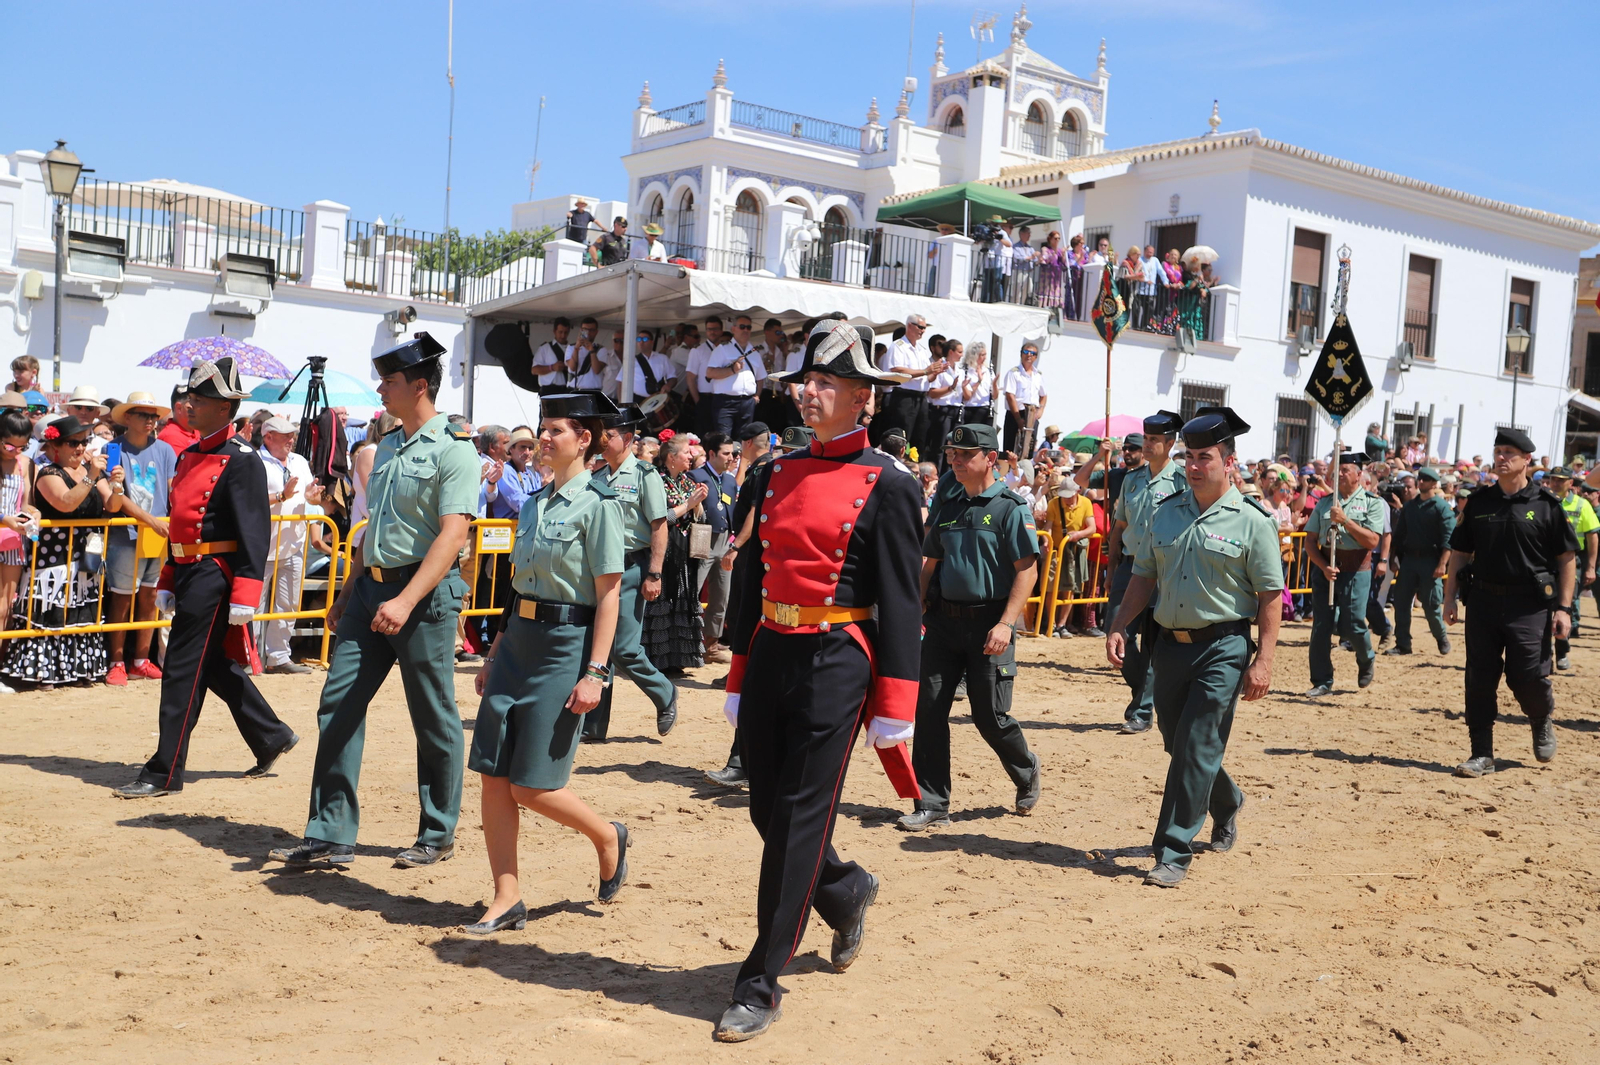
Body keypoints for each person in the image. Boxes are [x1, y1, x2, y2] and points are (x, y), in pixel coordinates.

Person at [714, 320, 922, 1042]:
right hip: (773, 645)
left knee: (800, 819)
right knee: (767, 811)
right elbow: (751, 577)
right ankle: (846, 887)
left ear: (863, 398)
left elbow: (900, 598)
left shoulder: (890, 484)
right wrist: (738, 669)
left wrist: (896, 700)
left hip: (840, 656)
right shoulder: (770, 474)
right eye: (807, 380)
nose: (809, 392)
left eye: (826, 383)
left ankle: (760, 980)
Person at [266, 333, 476, 866]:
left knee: (432, 714)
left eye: (390, 381)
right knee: (337, 702)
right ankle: (331, 830)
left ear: (419, 386)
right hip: (370, 589)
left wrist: (405, 600)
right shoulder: (385, 445)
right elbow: (369, 525)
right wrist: (349, 589)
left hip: (423, 597)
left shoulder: (455, 450)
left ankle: (437, 830)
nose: (381, 389)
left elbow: (452, 535)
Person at [462, 391, 630, 935]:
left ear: (584, 440)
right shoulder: (533, 502)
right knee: (493, 774)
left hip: (564, 646)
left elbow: (608, 596)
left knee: (533, 786)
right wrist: (494, 651)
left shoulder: (600, 504)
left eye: (555, 430)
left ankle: (607, 835)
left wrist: (597, 672)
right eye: (541, 429)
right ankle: (506, 896)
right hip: (516, 644)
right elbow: (517, 589)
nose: (542, 440)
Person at [1105, 407, 1282, 888]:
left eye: (1205, 457)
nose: (1194, 466)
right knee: (1177, 742)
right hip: (1170, 647)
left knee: (1198, 742)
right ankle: (1226, 800)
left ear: (1229, 462)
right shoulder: (1167, 512)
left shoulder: (1252, 521)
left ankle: (1173, 849)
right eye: (1190, 457)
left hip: (1223, 648)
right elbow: (1143, 575)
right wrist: (1121, 624)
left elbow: (1270, 596)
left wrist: (1263, 659)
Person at [114, 361, 298, 797]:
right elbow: (182, 524)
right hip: (190, 570)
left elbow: (254, 532)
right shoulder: (188, 454)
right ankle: (271, 735)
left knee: (181, 668)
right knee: (207, 663)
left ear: (225, 409)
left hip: (216, 574)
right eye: (189, 398)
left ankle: (165, 770)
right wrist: (169, 577)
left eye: (198, 400)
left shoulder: (242, 459)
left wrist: (246, 592)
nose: (188, 405)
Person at [900, 421, 1042, 830]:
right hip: (943, 623)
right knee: (928, 710)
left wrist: (1005, 623)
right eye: (951, 455)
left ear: (990, 459)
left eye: (965, 455)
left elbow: (1027, 571)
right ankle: (931, 802)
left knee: (989, 717)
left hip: (989, 625)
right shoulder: (949, 506)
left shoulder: (1010, 508)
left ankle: (1025, 766)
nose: (956, 462)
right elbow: (930, 563)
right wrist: (914, 609)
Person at [1444, 428, 1577, 777]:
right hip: (1484, 601)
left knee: (1527, 675)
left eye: (1509, 453)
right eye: (1498, 451)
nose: (1501, 458)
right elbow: (1459, 552)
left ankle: (1540, 718)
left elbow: (1566, 559)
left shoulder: (1546, 506)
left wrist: (1563, 609)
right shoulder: (1480, 503)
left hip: (1529, 605)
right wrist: (1449, 598)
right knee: (1479, 678)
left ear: (1526, 460)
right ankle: (1481, 753)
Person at [583, 405, 678, 742]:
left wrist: (654, 572)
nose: (600, 441)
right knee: (598, 645)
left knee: (623, 648)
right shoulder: (595, 475)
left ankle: (664, 692)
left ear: (626, 438)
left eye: (606, 436)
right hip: (598, 567)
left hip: (631, 566)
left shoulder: (644, 475)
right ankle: (593, 724)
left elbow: (659, 526)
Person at [1103, 412, 1185, 731]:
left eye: (1153, 440)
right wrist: (1110, 570)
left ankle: (1142, 710)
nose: (1147, 444)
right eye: (1146, 438)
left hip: (1163, 571)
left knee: (1152, 643)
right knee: (1117, 632)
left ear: (1169, 444)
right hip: (1129, 567)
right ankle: (1145, 693)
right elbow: (1118, 526)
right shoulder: (1132, 479)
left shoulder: (1181, 481)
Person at [100, 392, 177, 685]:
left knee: (149, 597)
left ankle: (141, 661)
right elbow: (116, 498)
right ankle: (117, 661)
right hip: (128, 533)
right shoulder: (113, 448)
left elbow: (173, 490)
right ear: (128, 418)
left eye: (153, 416)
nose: (150, 421)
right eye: (144, 415)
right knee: (121, 599)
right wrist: (152, 521)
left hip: (157, 532)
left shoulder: (166, 450)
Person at [1302, 453, 1385, 696]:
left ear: (1359, 475)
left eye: (1345, 470)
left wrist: (1346, 521)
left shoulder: (1372, 503)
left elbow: (1372, 540)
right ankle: (1321, 681)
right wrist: (1323, 566)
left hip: (1356, 571)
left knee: (1353, 624)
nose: (1338, 474)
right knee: (1321, 626)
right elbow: (1310, 541)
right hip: (1327, 569)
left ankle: (1366, 657)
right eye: (1337, 470)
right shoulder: (1325, 502)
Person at [255, 415, 317, 675]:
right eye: (285, 435)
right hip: (260, 544)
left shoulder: (300, 462)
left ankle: (278, 656)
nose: (291, 439)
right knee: (253, 606)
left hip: (293, 542)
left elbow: (309, 498)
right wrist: (281, 495)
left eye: (292, 434)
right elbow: (248, 498)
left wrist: (313, 497)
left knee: (288, 603)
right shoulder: (254, 460)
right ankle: (250, 655)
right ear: (267, 437)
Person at [644, 434, 706, 673]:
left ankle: (676, 659)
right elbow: (661, 517)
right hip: (663, 550)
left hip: (684, 552)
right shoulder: (656, 480)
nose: (691, 456)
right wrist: (688, 505)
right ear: (671, 457)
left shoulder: (687, 481)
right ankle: (656, 658)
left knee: (681, 601)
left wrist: (698, 504)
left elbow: (697, 517)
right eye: (686, 452)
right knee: (660, 600)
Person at [1385, 466, 1455, 658]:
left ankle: (1441, 638)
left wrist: (1442, 564)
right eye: (1420, 479)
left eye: (1425, 480)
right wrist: (1394, 560)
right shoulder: (1410, 507)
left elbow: (1449, 539)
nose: (1421, 482)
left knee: (1431, 605)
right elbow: (1399, 536)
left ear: (1434, 484)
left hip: (1430, 562)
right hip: (1409, 561)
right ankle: (1403, 644)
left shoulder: (1440, 507)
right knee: (1401, 603)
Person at [690, 431, 737, 664]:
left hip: (726, 540)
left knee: (721, 595)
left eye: (732, 453)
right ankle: (687, 644)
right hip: (702, 535)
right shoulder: (695, 475)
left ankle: (712, 645)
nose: (731, 457)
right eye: (726, 453)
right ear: (711, 453)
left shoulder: (730, 480)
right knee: (692, 591)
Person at [1545, 466, 1598, 670]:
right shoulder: (1542, 501)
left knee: (1566, 606)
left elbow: (1592, 536)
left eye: (1561, 480)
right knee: (1543, 608)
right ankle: (1546, 653)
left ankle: (1562, 649)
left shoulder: (1581, 505)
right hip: (1544, 562)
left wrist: (1590, 567)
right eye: (1553, 479)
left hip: (1570, 563)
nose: (1556, 483)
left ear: (1570, 483)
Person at [876, 314, 941, 446]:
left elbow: (926, 377)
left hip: (921, 397)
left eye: (924, 328)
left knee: (920, 435)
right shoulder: (898, 346)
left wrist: (935, 371)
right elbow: (897, 370)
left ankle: (915, 463)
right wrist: (925, 371)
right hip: (904, 396)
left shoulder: (921, 350)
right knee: (902, 435)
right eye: (920, 327)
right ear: (910, 326)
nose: (923, 330)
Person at [923, 338, 964, 469]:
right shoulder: (941, 367)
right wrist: (950, 388)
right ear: (951, 352)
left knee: (954, 448)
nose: (962, 355)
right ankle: (936, 476)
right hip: (942, 410)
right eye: (959, 352)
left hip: (956, 410)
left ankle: (949, 475)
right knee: (940, 447)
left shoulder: (960, 370)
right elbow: (932, 392)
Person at [1001, 341, 1046, 455]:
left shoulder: (1038, 375)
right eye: (1026, 352)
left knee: (1029, 449)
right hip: (1016, 413)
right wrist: (1018, 419)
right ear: (1021, 354)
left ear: (1036, 357)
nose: (1029, 355)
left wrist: (1040, 410)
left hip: (1032, 414)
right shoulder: (1013, 373)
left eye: (1032, 353)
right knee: (1010, 448)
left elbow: (1043, 395)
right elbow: (1010, 396)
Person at [531, 318, 570, 393]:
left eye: (566, 332)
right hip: (549, 390)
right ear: (554, 331)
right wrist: (552, 368)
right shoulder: (545, 348)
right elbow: (534, 370)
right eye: (560, 332)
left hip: (566, 390)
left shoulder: (572, 349)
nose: (563, 335)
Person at [158, 383, 199, 452]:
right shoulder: (170, 437)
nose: (198, 409)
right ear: (179, 408)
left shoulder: (198, 431)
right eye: (191, 407)